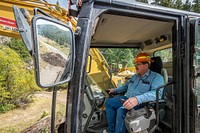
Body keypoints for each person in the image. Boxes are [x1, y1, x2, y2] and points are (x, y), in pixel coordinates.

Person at [105, 52, 164, 133]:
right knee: (109, 102)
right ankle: (111, 131)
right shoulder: (135, 76)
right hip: (127, 98)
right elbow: (125, 87)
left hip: (141, 103)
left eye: (138, 64)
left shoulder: (157, 77)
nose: (135, 66)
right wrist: (114, 90)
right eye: (135, 64)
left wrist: (137, 99)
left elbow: (155, 94)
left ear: (146, 65)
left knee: (121, 110)